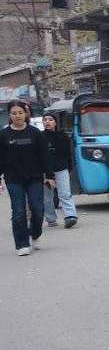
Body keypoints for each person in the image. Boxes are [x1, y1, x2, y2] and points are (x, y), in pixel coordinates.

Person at [0, 100, 54, 256]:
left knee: (38, 209)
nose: (17, 116)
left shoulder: (35, 133)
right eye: (14, 113)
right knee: (18, 212)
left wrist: (49, 175)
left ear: (26, 114)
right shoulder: (3, 135)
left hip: (34, 177)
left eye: (20, 113)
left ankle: (35, 233)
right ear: (9, 115)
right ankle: (22, 244)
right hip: (13, 179)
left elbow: (44, 156)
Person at [42, 114, 78, 229]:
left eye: (50, 120)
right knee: (47, 197)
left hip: (61, 169)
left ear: (55, 123)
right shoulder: (39, 137)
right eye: (45, 120)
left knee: (65, 194)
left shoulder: (63, 136)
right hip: (45, 172)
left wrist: (69, 168)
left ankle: (70, 216)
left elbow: (69, 154)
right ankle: (51, 219)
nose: (48, 122)